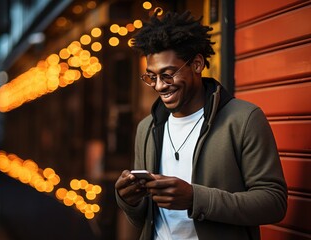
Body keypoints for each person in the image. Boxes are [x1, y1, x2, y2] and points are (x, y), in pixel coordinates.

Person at [114, 10, 287, 240]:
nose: (159, 86)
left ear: (196, 64)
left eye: (167, 74)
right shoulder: (146, 128)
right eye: (151, 77)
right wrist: (128, 199)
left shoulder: (244, 119)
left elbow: (273, 203)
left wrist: (195, 198)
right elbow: (142, 218)